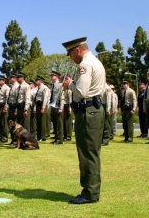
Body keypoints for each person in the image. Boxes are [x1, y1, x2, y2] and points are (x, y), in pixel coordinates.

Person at [62, 37, 105, 204]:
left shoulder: (85, 65)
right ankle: (91, 190)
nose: (71, 58)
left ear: (78, 50)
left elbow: (80, 91)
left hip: (88, 112)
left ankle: (90, 192)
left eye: (71, 54)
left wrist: (70, 85)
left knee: (87, 152)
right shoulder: (95, 61)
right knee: (92, 151)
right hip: (94, 110)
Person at [50, 71, 65, 145]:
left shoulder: (60, 85)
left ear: (57, 76)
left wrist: (61, 107)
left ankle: (59, 139)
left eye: (53, 75)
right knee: (55, 123)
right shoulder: (52, 85)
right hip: (53, 105)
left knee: (59, 123)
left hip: (58, 106)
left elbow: (62, 97)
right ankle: (56, 137)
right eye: (51, 76)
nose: (51, 77)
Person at [34, 76, 50, 141]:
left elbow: (45, 98)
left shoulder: (44, 88)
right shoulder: (38, 88)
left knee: (42, 122)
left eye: (37, 80)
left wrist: (43, 108)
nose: (36, 82)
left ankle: (42, 136)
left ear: (40, 81)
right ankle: (39, 136)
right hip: (38, 105)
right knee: (38, 121)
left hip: (42, 105)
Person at [0, 76, 10, 143]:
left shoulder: (6, 88)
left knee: (4, 123)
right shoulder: (0, 88)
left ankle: (5, 137)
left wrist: (5, 107)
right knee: (0, 122)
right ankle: (1, 136)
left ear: (4, 81)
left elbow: (7, 98)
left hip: (3, 106)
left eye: (1, 80)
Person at [7, 74, 19, 145]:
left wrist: (16, 109)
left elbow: (17, 99)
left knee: (14, 124)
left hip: (14, 106)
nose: (10, 79)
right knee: (10, 123)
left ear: (14, 78)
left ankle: (15, 140)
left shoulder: (17, 86)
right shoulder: (12, 86)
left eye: (11, 78)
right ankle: (13, 139)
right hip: (11, 106)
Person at [62, 75, 73, 141]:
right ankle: (65, 135)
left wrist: (70, 109)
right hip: (64, 105)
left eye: (66, 80)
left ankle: (69, 136)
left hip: (68, 106)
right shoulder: (64, 89)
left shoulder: (69, 90)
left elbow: (70, 100)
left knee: (68, 122)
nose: (65, 82)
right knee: (64, 121)